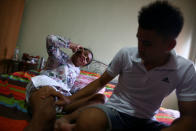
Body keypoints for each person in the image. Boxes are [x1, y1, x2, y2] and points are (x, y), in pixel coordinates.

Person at [54, 1, 196, 131]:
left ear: (169, 45)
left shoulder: (185, 69)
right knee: (90, 119)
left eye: (147, 43)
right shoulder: (126, 54)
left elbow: (189, 117)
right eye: (139, 39)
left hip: (147, 121)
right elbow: (100, 82)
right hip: (115, 112)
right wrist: (69, 99)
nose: (140, 48)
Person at [24, 35, 105, 131]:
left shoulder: (77, 72)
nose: (84, 58)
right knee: (47, 116)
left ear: (84, 65)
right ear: (79, 51)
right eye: (85, 54)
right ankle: (53, 123)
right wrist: (71, 45)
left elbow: (68, 86)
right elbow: (50, 39)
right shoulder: (60, 57)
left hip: (63, 97)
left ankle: (64, 120)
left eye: (87, 60)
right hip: (46, 87)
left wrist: (83, 92)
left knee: (100, 99)